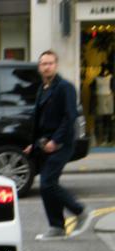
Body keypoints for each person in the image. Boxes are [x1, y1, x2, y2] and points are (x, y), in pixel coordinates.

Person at [24, 50, 94, 241]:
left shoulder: (65, 87)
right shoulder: (42, 88)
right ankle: (56, 226)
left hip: (62, 144)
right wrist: (33, 145)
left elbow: (70, 116)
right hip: (45, 144)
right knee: (48, 184)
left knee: (47, 182)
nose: (47, 66)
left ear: (56, 65)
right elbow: (39, 121)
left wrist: (56, 140)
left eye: (50, 63)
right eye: (43, 64)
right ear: (39, 67)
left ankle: (80, 211)